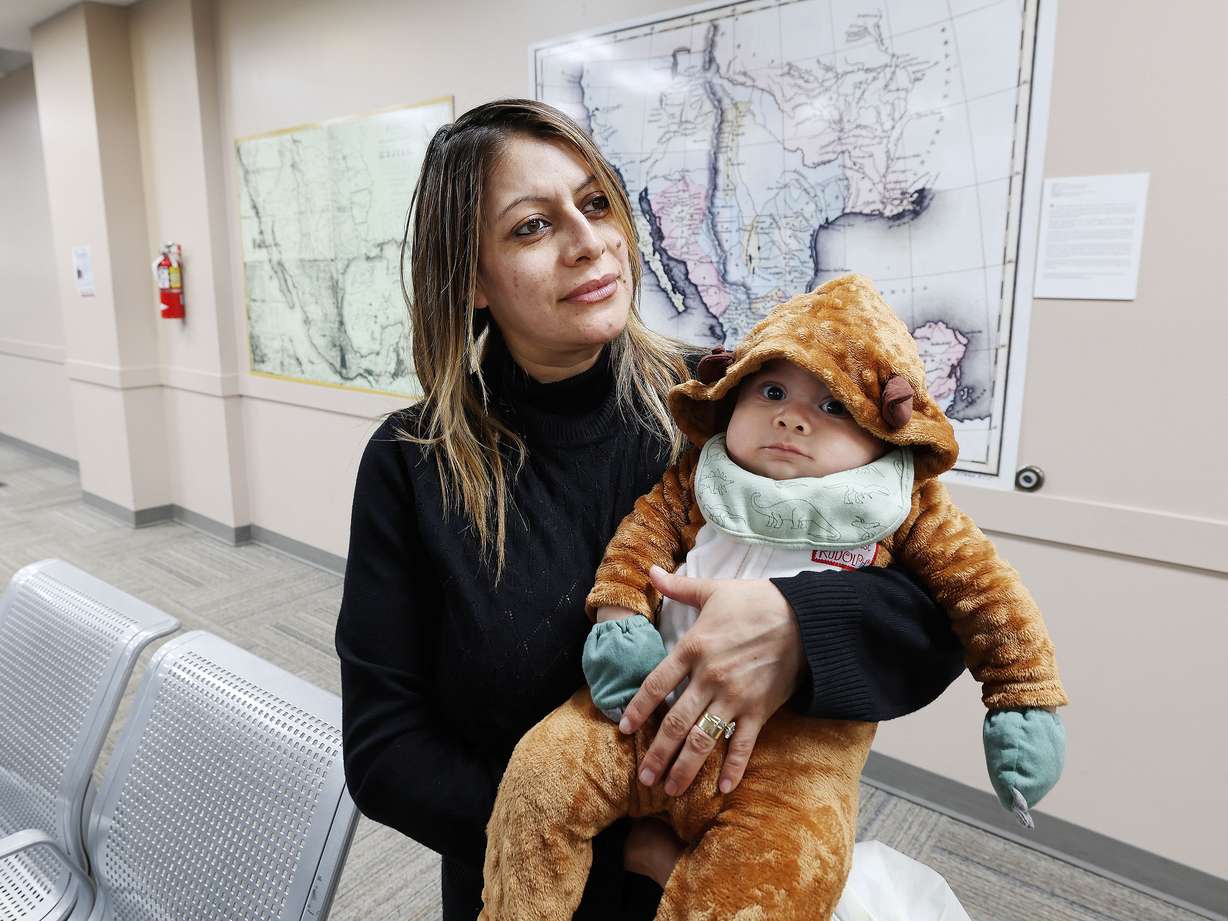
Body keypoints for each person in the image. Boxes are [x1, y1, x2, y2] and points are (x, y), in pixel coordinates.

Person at [334, 99, 966, 921]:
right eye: (531, 227)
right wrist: (614, 849)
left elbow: (943, 611)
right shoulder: (415, 462)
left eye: (595, 203)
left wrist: (795, 630)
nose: (589, 239)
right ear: (472, 281)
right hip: (530, 890)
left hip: (732, 874)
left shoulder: (720, 403)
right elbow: (386, 751)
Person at [480, 275, 1067, 920]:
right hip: (647, 707)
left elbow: (985, 597)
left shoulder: (902, 505)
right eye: (773, 391)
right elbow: (638, 543)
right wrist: (620, 618)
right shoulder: (702, 477)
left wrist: (1024, 698)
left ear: (885, 430)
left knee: (774, 880)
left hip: (790, 759)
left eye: (835, 406)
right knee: (542, 777)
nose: (792, 417)